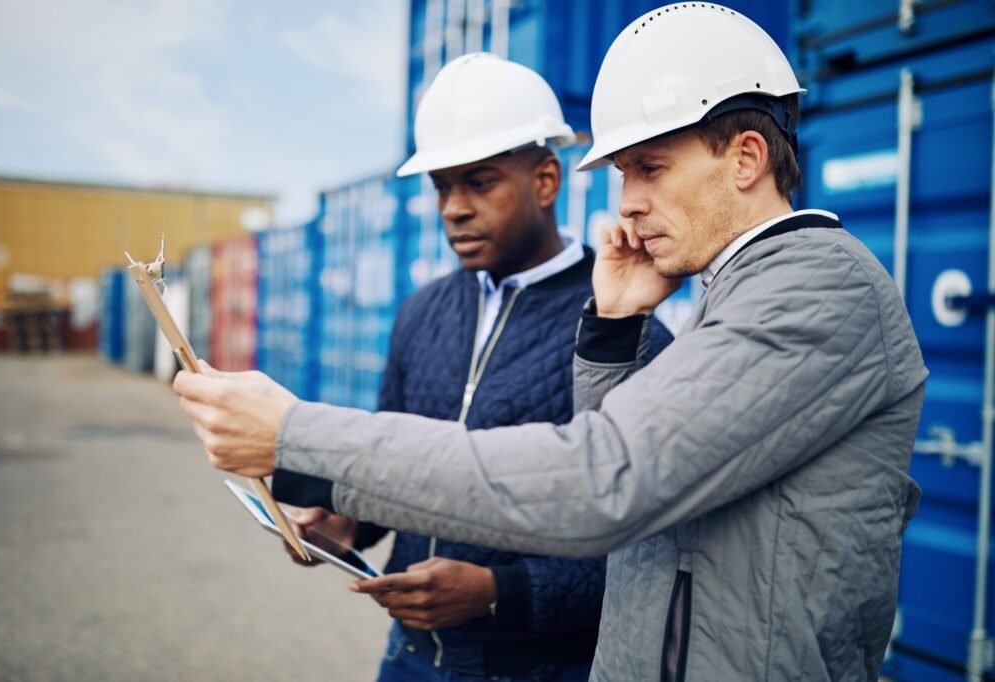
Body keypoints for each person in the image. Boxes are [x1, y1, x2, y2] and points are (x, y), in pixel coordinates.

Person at [175, 6, 927, 681]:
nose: (627, 201)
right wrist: (614, 331)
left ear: (745, 158)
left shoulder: (814, 293)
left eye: (649, 168)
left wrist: (298, 438)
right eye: (625, 171)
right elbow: (652, 511)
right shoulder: (734, 296)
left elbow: (605, 485)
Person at [272, 52, 671, 682]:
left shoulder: (621, 328)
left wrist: (497, 591)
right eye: (441, 188)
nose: (453, 208)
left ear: (545, 181)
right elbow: (395, 472)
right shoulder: (420, 314)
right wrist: (349, 522)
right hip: (409, 660)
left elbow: (649, 549)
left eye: (479, 183)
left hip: (536, 670)